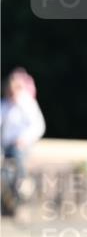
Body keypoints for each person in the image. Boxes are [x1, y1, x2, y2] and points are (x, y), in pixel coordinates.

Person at [0, 67, 46, 214]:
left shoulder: (26, 103)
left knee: (17, 169)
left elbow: (38, 126)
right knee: (6, 175)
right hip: (6, 146)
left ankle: (24, 185)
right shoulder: (5, 104)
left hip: (20, 146)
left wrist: (23, 139)